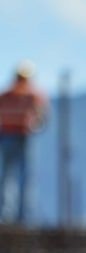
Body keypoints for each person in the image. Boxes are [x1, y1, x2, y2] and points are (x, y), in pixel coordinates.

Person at [0, 61, 48, 224]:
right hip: (6, 136)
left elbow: (43, 117)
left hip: (25, 137)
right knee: (7, 176)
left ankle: (24, 217)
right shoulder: (5, 96)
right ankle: (7, 216)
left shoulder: (34, 96)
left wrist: (35, 126)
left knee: (26, 177)